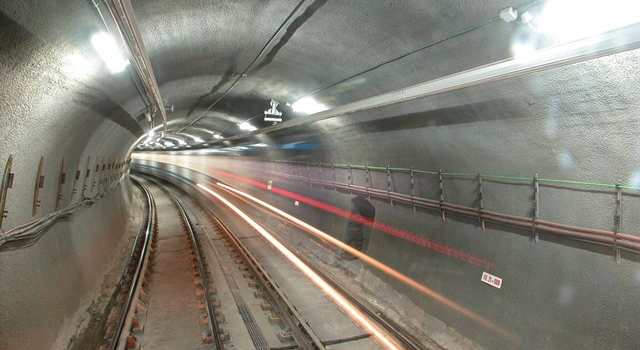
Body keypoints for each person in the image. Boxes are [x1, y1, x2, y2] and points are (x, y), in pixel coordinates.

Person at [340, 195, 376, 260]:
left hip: (356, 228)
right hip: (355, 228)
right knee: (350, 238)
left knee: (352, 238)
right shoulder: (360, 212)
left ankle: (351, 253)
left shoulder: (365, 211)